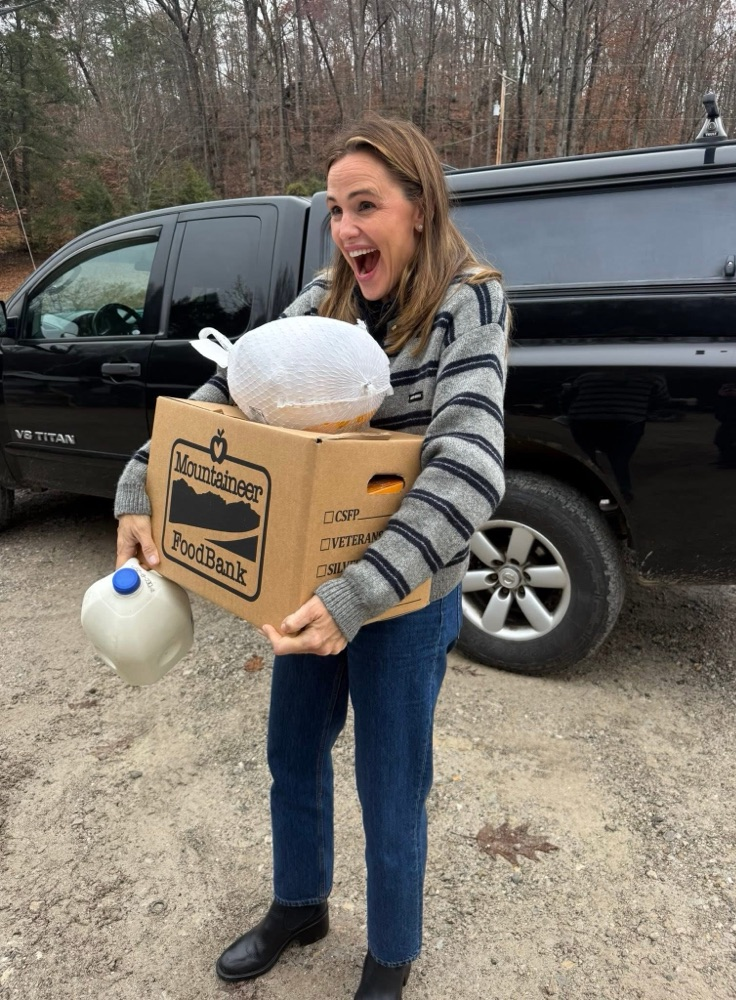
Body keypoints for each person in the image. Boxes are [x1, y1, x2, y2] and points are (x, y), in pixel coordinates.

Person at [114, 113, 508, 999]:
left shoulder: (468, 301)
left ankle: (392, 954)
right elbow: (220, 396)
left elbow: (471, 466)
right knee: (293, 752)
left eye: (364, 205)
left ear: (420, 205)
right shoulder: (322, 299)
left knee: (390, 784)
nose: (345, 230)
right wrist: (141, 483)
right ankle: (302, 904)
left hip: (401, 598)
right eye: (334, 209)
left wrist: (362, 592)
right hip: (306, 585)